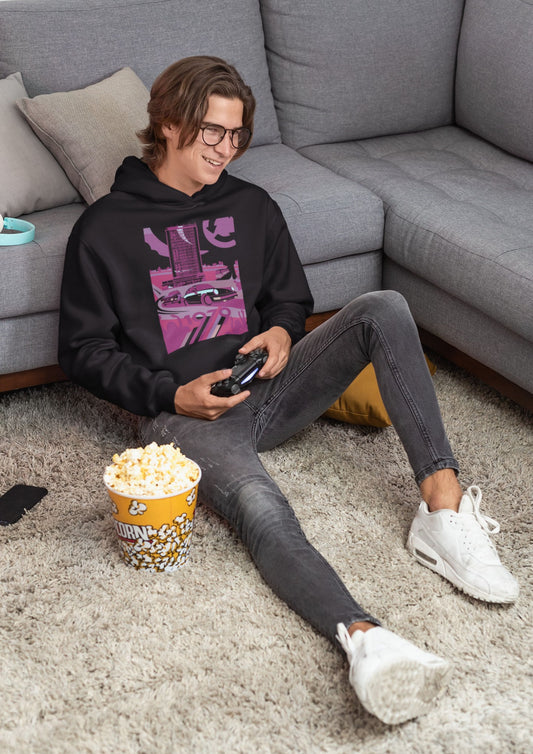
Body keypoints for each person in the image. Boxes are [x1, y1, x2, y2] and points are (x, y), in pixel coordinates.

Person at [58, 56, 519, 725]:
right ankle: (364, 638)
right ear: (169, 123)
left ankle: (442, 511)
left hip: (270, 390)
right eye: (212, 132)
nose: (225, 148)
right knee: (262, 508)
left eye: (236, 135)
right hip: (184, 417)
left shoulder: (251, 206)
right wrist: (171, 393)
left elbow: (289, 299)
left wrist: (279, 332)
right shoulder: (104, 228)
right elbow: (81, 350)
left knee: (383, 306)